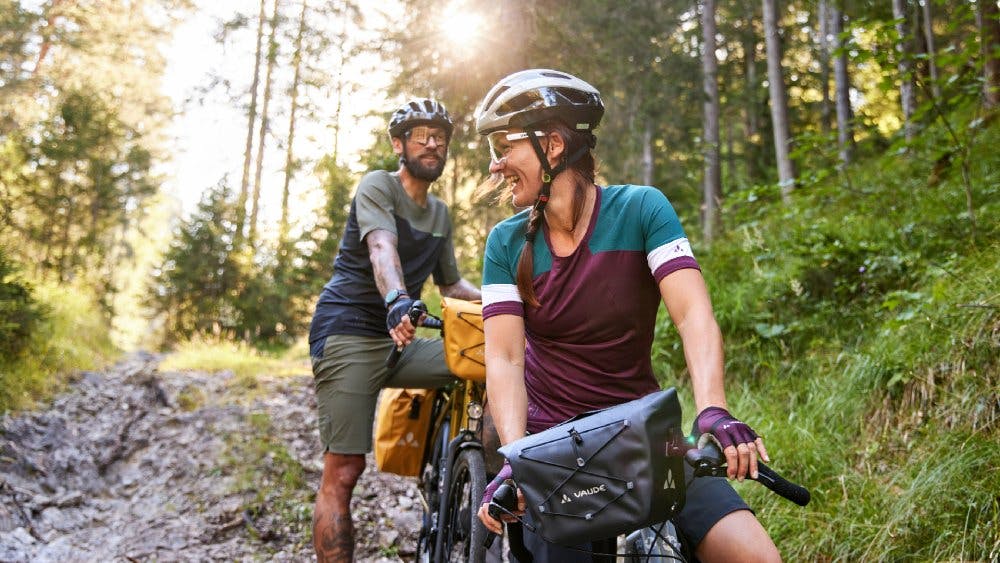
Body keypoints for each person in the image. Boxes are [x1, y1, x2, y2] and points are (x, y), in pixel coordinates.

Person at [473, 69, 782, 562]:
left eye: (503, 148)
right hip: (553, 453)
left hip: (646, 440)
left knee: (756, 557)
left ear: (552, 144)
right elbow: (506, 359)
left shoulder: (642, 210)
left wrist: (714, 409)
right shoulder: (506, 243)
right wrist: (516, 458)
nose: (495, 166)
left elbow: (693, 315)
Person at [308, 98, 481, 562]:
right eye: (421, 135)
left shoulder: (441, 214)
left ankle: (462, 465)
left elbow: (451, 285)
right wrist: (397, 301)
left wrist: (505, 303)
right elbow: (382, 249)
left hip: (399, 338)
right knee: (343, 471)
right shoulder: (378, 186)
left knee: (479, 364)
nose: (433, 143)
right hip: (347, 332)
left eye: (440, 137)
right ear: (399, 144)